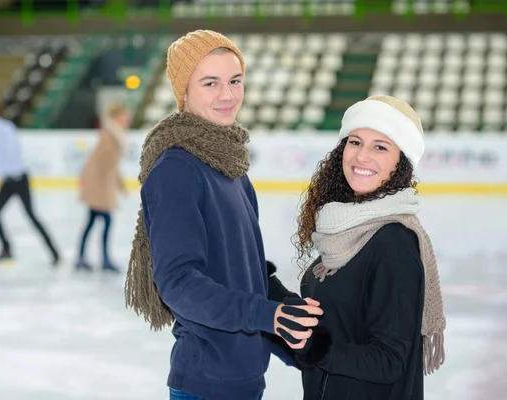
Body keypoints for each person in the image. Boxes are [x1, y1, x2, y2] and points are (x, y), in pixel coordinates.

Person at [124, 30, 323, 400]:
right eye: (210, 83)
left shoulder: (229, 164)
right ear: (183, 91)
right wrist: (266, 315)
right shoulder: (176, 169)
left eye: (235, 81)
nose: (227, 95)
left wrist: (284, 308)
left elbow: (242, 266)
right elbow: (179, 282)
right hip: (205, 383)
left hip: (244, 378)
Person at [268, 95, 447, 399]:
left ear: (400, 162)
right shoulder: (344, 230)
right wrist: (268, 288)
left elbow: (388, 361)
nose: (361, 156)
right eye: (355, 142)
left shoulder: (393, 242)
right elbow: (333, 325)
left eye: (380, 147)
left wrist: (315, 347)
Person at [0, 102, 60, 266]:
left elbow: (10, 155)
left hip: (18, 180)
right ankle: (7, 250)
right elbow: (4, 156)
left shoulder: (3, 129)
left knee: (31, 217)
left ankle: (54, 253)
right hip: (10, 180)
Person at [76, 103, 131, 272]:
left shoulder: (115, 134)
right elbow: (100, 162)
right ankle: (103, 259)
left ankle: (82, 258)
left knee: (93, 221)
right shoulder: (110, 135)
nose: (127, 120)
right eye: (124, 116)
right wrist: (106, 185)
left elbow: (112, 165)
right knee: (105, 221)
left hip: (101, 184)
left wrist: (119, 184)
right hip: (99, 185)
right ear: (116, 117)